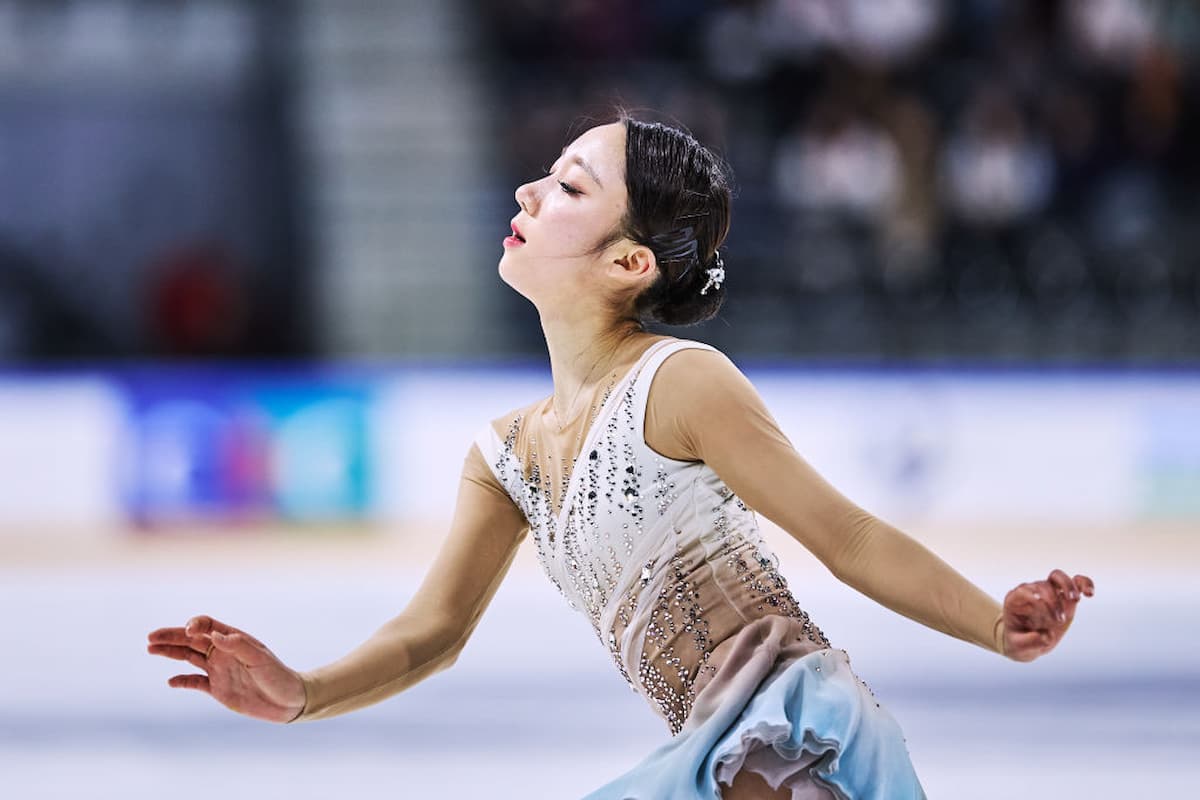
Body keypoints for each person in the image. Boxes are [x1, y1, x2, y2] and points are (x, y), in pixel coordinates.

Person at [148, 116, 1094, 799]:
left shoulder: (682, 382)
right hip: (714, 749)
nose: (526, 191)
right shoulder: (507, 454)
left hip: (786, 731)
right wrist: (304, 694)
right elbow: (430, 634)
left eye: (567, 187)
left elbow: (843, 533)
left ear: (628, 263)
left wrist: (991, 625)